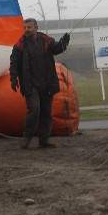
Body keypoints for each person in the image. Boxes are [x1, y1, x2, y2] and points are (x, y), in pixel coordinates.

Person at [9, 19, 70, 149]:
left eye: (29, 27)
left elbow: (57, 48)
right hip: (30, 85)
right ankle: (26, 138)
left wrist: (64, 43)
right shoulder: (19, 46)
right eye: (25, 27)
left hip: (47, 84)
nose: (26, 30)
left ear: (36, 27)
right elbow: (14, 63)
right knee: (34, 109)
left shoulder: (47, 41)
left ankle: (44, 140)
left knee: (46, 113)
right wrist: (13, 79)